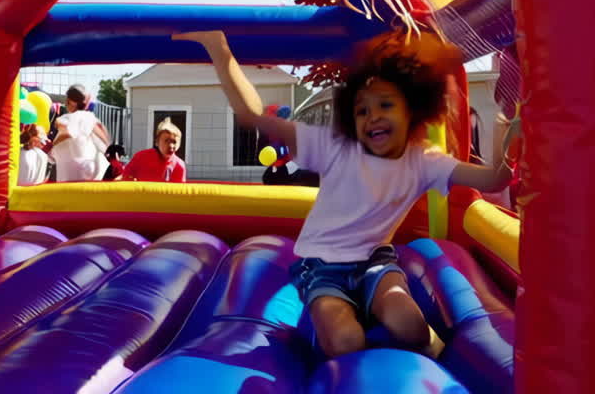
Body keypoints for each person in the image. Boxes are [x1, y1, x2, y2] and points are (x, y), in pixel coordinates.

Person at [175, 29, 512, 360]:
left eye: (385, 105)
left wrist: (505, 128)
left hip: (376, 263)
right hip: (322, 265)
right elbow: (252, 117)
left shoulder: (424, 160)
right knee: (345, 341)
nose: (372, 117)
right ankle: (336, 325)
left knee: (408, 325)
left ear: (412, 110)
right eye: (362, 110)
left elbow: (495, 179)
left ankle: (428, 342)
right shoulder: (336, 148)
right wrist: (220, 48)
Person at [49, 84, 110, 182]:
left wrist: (51, 147)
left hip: (72, 175)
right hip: (94, 172)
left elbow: (68, 133)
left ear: (70, 102)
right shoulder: (92, 118)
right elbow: (105, 142)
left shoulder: (66, 119)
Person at [123, 118, 187, 183]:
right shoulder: (141, 157)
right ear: (157, 142)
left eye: (174, 142)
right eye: (166, 141)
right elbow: (126, 177)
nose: (171, 146)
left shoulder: (179, 165)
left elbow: (178, 191)